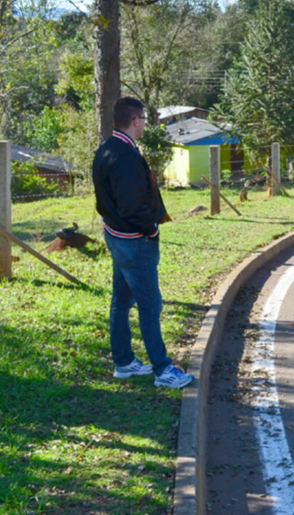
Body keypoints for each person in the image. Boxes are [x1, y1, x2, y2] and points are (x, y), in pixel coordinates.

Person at [92, 97, 194, 389]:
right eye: (145, 119)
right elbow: (131, 207)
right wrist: (151, 229)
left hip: (116, 235)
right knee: (150, 305)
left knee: (122, 300)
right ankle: (163, 370)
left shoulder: (108, 148)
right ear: (135, 121)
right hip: (134, 241)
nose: (146, 124)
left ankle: (124, 362)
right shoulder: (125, 156)